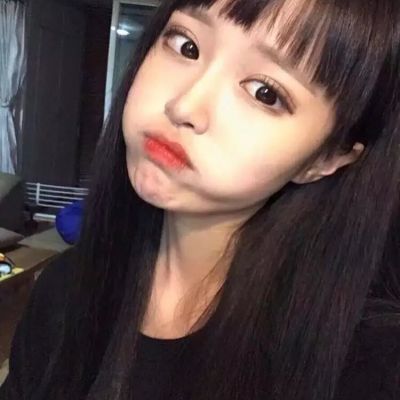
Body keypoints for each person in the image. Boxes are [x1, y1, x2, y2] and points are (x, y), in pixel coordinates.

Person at [1, 0, 399, 399]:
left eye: (265, 93)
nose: (184, 106)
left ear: (326, 157)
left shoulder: (369, 365)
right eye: (186, 46)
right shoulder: (66, 288)